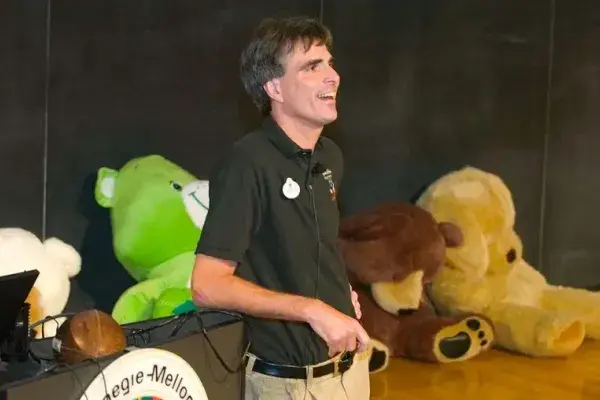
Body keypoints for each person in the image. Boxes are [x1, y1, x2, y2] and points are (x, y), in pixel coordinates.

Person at [191, 15, 371, 399]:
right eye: (312, 66)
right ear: (274, 87)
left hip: (350, 372)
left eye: (330, 62)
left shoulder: (331, 156)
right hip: (286, 384)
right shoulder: (247, 162)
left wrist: (338, 293)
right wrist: (312, 309)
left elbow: (306, 248)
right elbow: (207, 285)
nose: (332, 76)